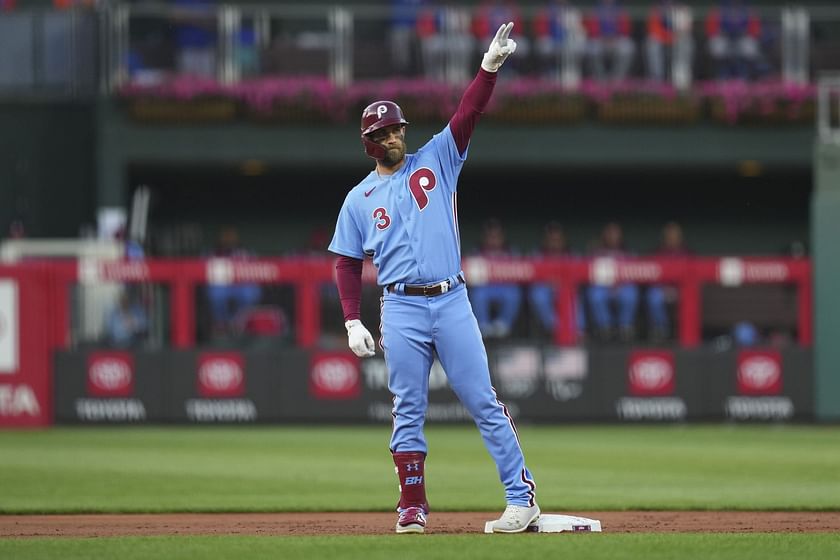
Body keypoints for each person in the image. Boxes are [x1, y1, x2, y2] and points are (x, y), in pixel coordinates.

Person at [328, 23, 538, 535]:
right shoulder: (359, 199)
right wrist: (352, 320)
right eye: (382, 133)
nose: (393, 136)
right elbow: (346, 262)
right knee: (407, 409)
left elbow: (468, 113)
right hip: (398, 307)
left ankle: (521, 497)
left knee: (483, 400)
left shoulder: (437, 159)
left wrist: (487, 69)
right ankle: (412, 506)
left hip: (449, 298)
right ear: (369, 144)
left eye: (396, 128)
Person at [528, 221, 585, 338]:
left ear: (563, 240)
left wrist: (563, 282)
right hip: (545, 288)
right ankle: (554, 328)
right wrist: (550, 282)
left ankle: (578, 331)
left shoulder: (572, 255)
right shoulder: (537, 254)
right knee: (538, 295)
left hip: (566, 288)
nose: (554, 242)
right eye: (551, 239)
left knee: (573, 294)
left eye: (557, 239)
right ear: (545, 240)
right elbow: (531, 276)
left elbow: (579, 277)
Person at [586, 221, 640, 341]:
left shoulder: (629, 253)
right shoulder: (596, 252)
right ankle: (605, 328)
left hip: (623, 287)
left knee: (630, 293)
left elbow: (636, 274)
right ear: (604, 235)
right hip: (602, 286)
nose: (612, 236)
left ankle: (625, 327)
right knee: (595, 294)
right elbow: (588, 273)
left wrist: (619, 284)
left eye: (615, 233)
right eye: (609, 233)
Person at [469, 218, 523, 339]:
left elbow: (519, 275)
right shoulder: (477, 252)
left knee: (513, 293)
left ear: (502, 236)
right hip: (485, 287)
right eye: (490, 236)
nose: (493, 239)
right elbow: (471, 277)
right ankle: (483, 327)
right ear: (484, 237)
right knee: (478, 294)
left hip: (504, 287)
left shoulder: (511, 252)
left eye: (496, 236)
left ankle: (503, 325)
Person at [205, 226, 262, 337]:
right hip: (220, 285)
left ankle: (240, 323)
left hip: (240, 285)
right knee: (216, 293)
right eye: (225, 238)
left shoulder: (245, 253)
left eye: (231, 238)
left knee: (249, 292)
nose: (228, 241)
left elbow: (255, 269)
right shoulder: (211, 253)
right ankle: (221, 324)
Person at [646, 221, 690, 342]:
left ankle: (685, 335)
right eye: (669, 236)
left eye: (674, 236)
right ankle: (662, 330)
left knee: (689, 297)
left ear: (680, 238)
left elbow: (691, 279)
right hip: (660, 289)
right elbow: (650, 277)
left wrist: (676, 289)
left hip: (680, 290)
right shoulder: (657, 253)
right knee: (654, 296)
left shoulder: (686, 254)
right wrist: (663, 288)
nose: (671, 239)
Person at [533, 0, 586, 86]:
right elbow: (540, 30)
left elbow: (580, 31)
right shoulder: (546, 10)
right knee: (545, 46)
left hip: (568, 42)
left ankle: (572, 76)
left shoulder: (573, 11)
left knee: (575, 47)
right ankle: (547, 73)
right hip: (551, 40)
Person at [705, 0, 762, 80]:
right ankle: (722, 77)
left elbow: (755, 31)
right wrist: (720, 33)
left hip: (742, 38)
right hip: (723, 38)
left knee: (749, 48)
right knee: (718, 49)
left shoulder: (748, 10)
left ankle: (744, 77)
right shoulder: (719, 9)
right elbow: (711, 31)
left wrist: (746, 33)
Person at [645, 0, 694, 86]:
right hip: (661, 39)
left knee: (686, 42)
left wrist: (675, 36)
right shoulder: (656, 9)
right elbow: (653, 31)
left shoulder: (683, 9)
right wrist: (667, 37)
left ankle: (681, 80)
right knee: (651, 43)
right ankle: (657, 79)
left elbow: (686, 29)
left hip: (678, 39)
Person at [584, 0, 635, 82]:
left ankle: (616, 79)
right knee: (592, 46)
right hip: (600, 40)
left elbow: (626, 28)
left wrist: (616, 37)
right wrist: (602, 37)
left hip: (616, 40)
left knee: (628, 46)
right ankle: (600, 79)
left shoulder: (620, 8)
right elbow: (590, 28)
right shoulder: (595, 8)